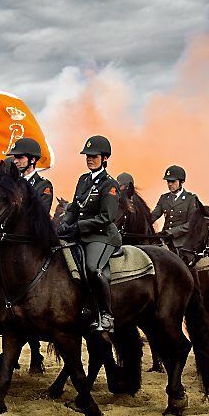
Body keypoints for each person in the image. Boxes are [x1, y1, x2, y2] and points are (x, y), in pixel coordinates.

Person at [57, 135, 121, 333]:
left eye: (94, 156)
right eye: (87, 156)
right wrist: (63, 224)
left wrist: (79, 226)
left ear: (104, 158)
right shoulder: (83, 180)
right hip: (81, 233)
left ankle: (106, 314)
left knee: (93, 268)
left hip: (102, 235)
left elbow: (106, 217)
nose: (90, 159)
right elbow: (75, 207)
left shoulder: (109, 184)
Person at [151, 165, 200, 249]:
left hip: (182, 244)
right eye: (168, 181)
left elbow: (190, 224)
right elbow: (153, 216)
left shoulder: (191, 199)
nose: (170, 184)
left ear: (181, 182)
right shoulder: (164, 198)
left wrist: (169, 232)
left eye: (173, 181)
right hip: (165, 241)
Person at [6, 137, 54, 214]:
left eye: (20, 158)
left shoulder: (43, 185)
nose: (15, 161)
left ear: (32, 160)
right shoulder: (13, 182)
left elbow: (41, 214)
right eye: (15, 157)